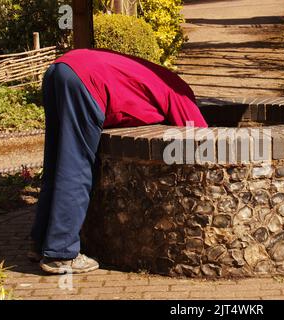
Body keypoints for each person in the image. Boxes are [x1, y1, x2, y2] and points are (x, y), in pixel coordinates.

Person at [28, 49, 208, 274]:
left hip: (60, 69)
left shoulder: (156, 78)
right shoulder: (179, 92)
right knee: (77, 167)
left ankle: (40, 243)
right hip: (86, 80)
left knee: (57, 162)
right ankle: (60, 253)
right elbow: (201, 138)